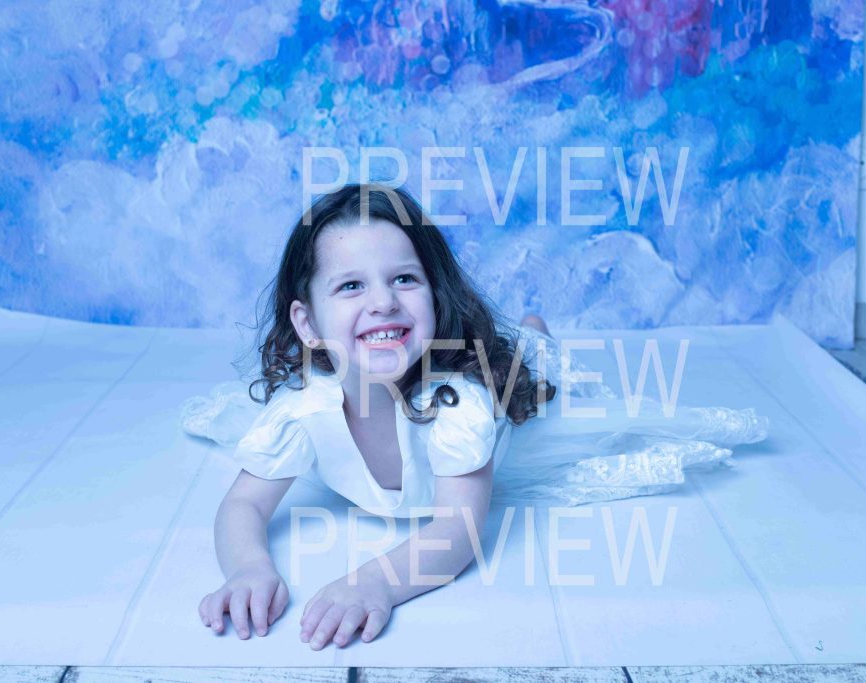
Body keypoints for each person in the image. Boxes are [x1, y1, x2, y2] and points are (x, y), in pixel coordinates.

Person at [180, 183, 768, 650]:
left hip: (502, 392)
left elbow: (456, 531)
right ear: (308, 324)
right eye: (351, 286)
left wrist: (375, 581)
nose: (383, 301)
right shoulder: (304, 410)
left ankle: (533, 330)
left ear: (435, 296)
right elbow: (242, 505)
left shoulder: (459, 404)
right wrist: (248, 569)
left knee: (536, 369)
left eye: (404, 279)